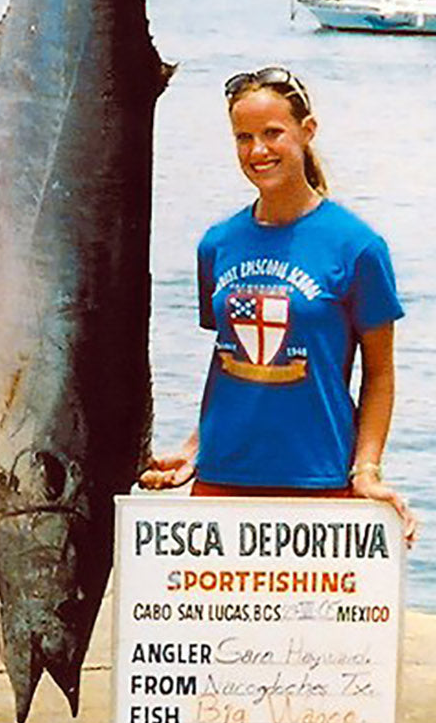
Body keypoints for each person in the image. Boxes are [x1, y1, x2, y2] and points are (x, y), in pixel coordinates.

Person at [140, 65, 416, 544]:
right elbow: (232, 364)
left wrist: (366, 469)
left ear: (306, 132)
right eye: (243, 137)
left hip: (319, 481)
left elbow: (381, 374)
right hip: (221, 479)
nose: (258, 151)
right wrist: (194, 447)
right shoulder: (218, 244)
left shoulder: (357, 246)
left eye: (272, 133)